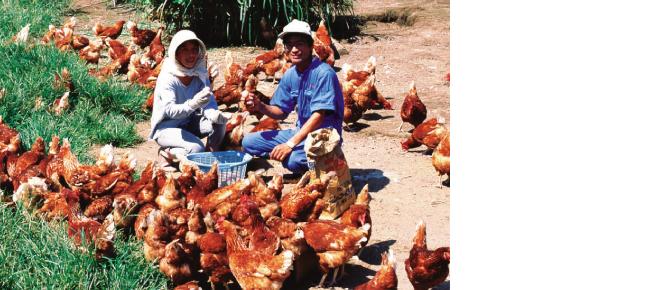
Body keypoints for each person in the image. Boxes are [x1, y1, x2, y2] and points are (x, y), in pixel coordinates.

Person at [241, 19, 344, 180]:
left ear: (311, 46)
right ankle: (301, 157)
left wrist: (289, 144)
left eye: (300, 44)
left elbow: (318, 116)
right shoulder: (290, 74)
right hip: (301, 132)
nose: (294, 49)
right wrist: (260, 106)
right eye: (289, 45)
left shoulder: (323, 73)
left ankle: (329, 159)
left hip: (323, 137)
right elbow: (281, 112)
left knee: (293, 162)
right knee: (248, 141)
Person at [149, 30, 230, 171]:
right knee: (196, 148)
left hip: (188, 122)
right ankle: (166, 153)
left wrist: (213, 115)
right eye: (185, 50)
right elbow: (171, 111)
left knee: (218, 124)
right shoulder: (168, 77)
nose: (191, 54)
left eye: (194, 49)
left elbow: (209, 103)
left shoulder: (199, 72)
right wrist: (193, 103)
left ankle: (212, 163)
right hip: (166, 128)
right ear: (176, 54)